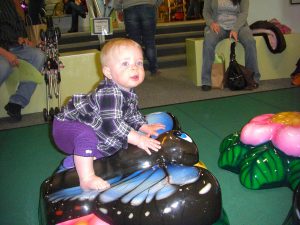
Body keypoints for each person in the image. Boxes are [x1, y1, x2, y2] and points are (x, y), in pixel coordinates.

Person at [52, 38, 166, 191]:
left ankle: (74, 162)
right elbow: (113, 124)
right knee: (88, 137)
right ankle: (86, 178)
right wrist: (138, 139)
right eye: (125, 64)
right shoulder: (110, 92)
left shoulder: (127, 91)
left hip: (90, 124)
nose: (134, 68)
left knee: (110, 146)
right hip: (66, 126)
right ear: (108, 72)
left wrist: (144, 126)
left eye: (139, 63)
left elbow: (131, 113)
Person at [0, 0, 46, 121]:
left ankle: (16, 103)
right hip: (2, 50)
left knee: (38, 56)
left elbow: (15, 25)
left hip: (15, 46)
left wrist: (24, 39)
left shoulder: (10, 4)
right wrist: (7, 54)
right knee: (5, 66)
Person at [201, 0, 260, 91]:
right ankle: (206, 81)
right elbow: (206, 11)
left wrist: (235, 29)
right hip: (218, 26)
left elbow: (244, 13)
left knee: (250, 41)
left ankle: (253, 78)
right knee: (208, 41)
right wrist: (211, 23)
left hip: (239, 26)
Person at [114, 0, 160, 76]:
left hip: (129, 8)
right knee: (150, 41)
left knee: (134, 43)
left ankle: (136, 70)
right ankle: (153, 69)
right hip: (147, 6)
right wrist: (154, 4)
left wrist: (119, 9)